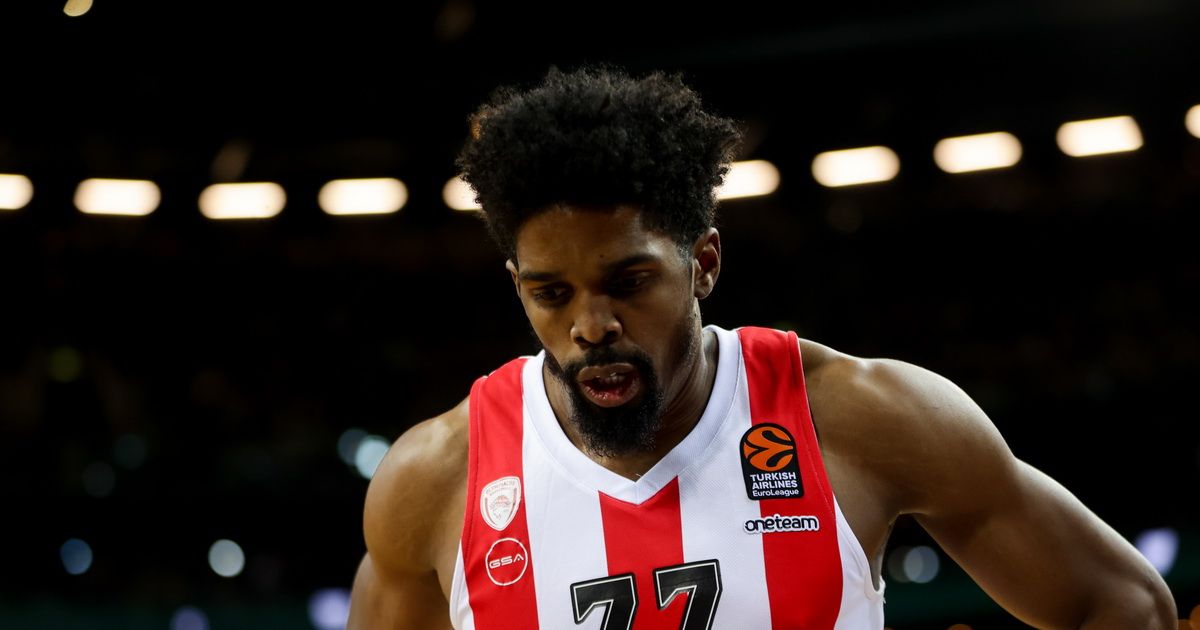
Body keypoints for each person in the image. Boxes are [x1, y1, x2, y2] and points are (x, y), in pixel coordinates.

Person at [346, 67, 1176, 629]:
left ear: (703, 263)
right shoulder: (435, 480)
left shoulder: (857, 417)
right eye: (551, 293)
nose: (591, 325)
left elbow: (1125, 605)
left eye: (628, 282)